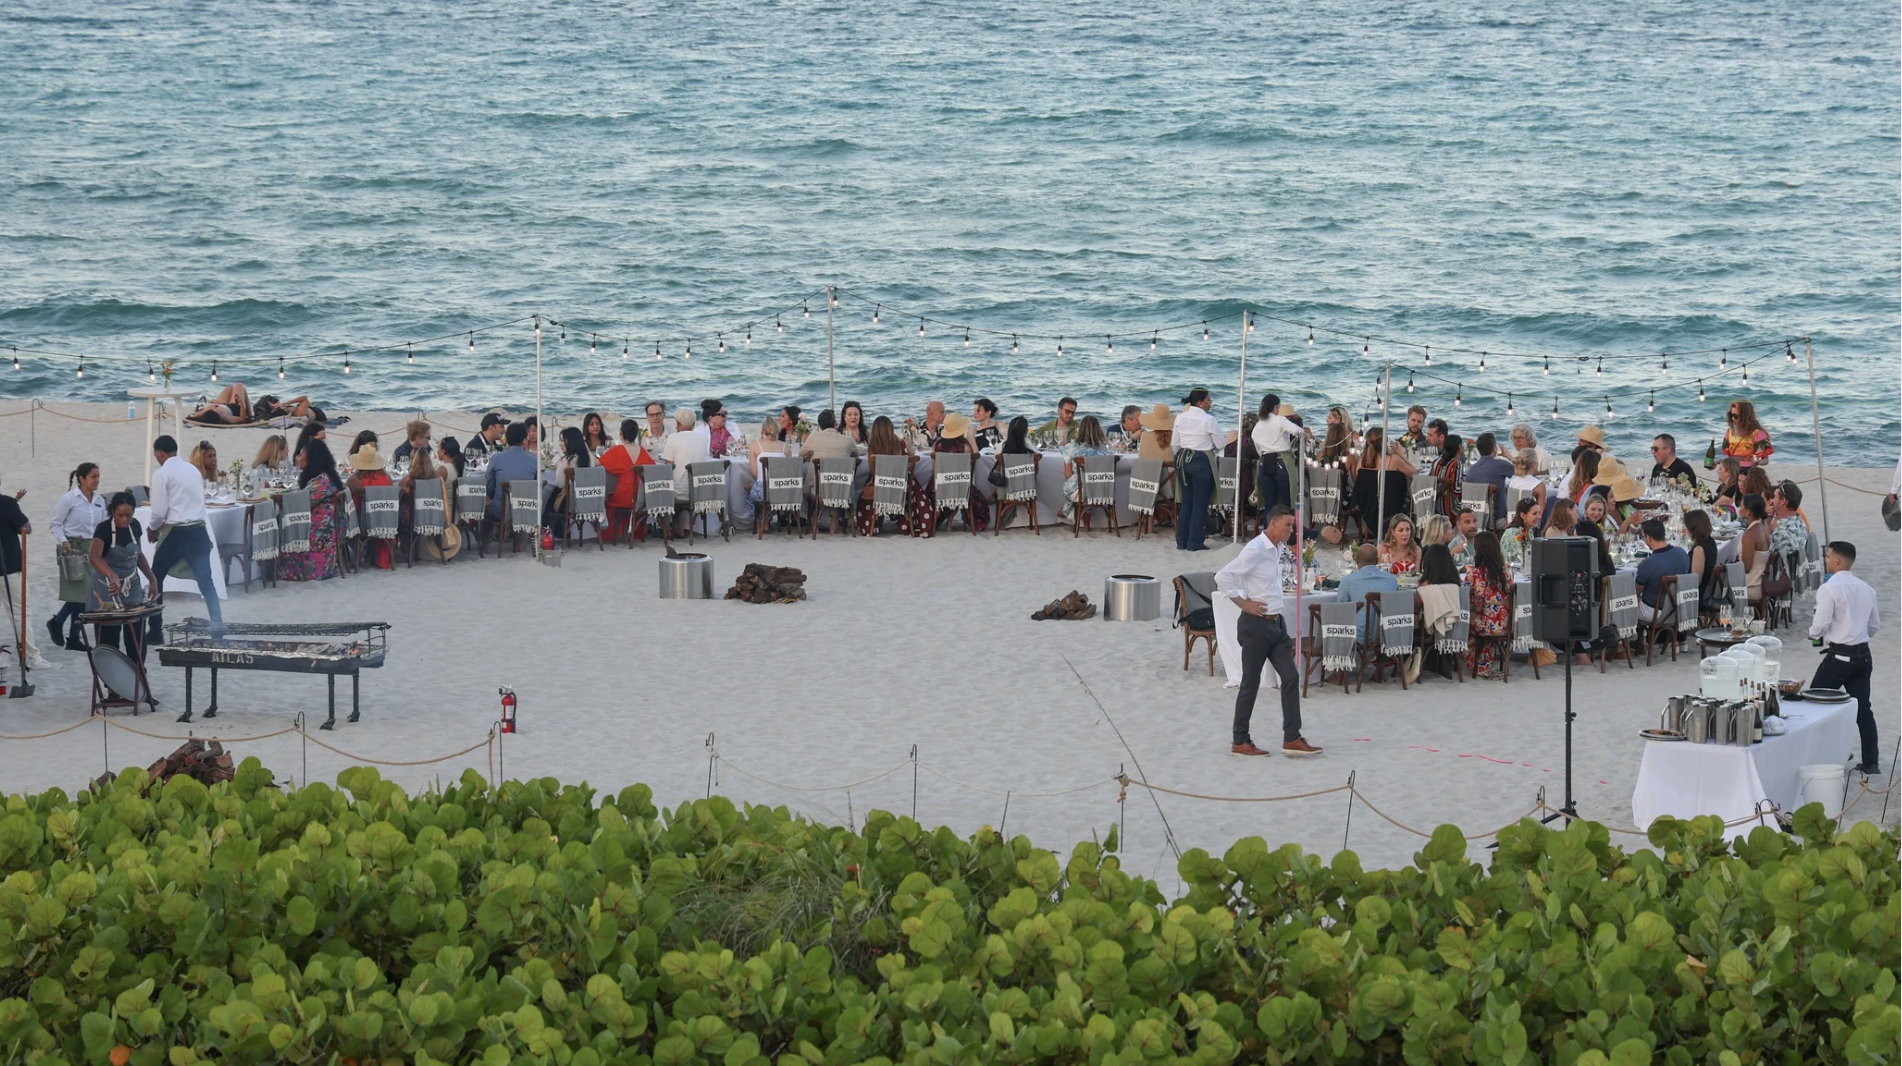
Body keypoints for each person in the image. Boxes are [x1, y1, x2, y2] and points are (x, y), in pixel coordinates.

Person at [1216, 507, 1322, 758]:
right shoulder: (1255, 549)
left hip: (1276, 624)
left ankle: (1292, 737)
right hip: (1255, 625)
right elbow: (1223, 577)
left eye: (1292, 525)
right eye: (1288, 525)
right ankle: (1240, 740)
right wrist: (1243, 603)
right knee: (1250, 683)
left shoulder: (1277, 549)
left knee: (1291, 677)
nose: (1292, 530)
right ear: (1273, 524)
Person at [1808, 541, 1880, 774]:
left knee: (1814, 703)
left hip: (1839, 656)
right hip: (1863, 654)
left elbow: (1820, 624)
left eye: (1828, 556)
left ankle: (1830, 752)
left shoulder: (1829, 589)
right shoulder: (1867, 589)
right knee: (1863, 709)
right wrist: (1856, 634)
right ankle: (1871, 762)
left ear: (1838, 561)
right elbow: (1874, 625)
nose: (1826, 560)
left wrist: (1814, 634)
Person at [146, 436, 223, 635]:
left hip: (177, 532)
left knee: (156, 577)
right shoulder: (192, 470)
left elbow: (159, 511)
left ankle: (155, 629)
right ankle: (217, 624)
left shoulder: (161, 473)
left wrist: (152, 528)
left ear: (161, 453)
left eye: (157, 456)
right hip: (198, 530)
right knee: (206, 581)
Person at [88, 491, 158, 658]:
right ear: (112, 512)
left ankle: (137, 672)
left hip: (131, 583)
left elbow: (138, 554)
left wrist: (152, 579)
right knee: (109, 634)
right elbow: (94, 557)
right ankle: (110, 679)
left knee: (136, 632)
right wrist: (111, 575)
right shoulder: (103, 529)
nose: (125, 519)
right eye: (120, 515)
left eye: (129, 515)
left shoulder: (135, 526)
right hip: (107, 587)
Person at [47, 462, 107, 651]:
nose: (97, 480)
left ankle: (71, 635)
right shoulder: (69, 499)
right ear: (81, 479)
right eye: (93, 477)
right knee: (81, 593)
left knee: (83, 594)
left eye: (98, 476)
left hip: (93, 549)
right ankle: (59, 623)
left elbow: (103, 524)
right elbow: (55, 524)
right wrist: (63, 541)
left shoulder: (100, 500)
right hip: (73, 548)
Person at [279, 438, 342, 582]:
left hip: (317, 534)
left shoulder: (321, 481)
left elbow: (302, 503)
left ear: (311, 458)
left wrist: (280, 497)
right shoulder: (321, 477)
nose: (297, 458)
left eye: (301, 455)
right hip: (324, 531)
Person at [916, 412, 989, 534]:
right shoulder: (965, 447)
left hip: (939, 488)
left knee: (946, 489)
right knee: (964, 491)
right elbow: (968, 470)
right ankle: (951, 518)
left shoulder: (936, 446)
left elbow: (934, 470)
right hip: (961, 486)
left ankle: (947, 517)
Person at [1173, 388, 1222, 551]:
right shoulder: (1209, 420)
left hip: (1182, 458)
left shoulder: (1180, 417)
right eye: (1209, 399)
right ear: (1200, 403)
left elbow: (1175, 443)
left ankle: (1181, 540)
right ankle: (1194, 541)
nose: (1211, 402)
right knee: (1200, 503)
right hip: (1201, 459)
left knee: (1186, 502)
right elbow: (1221, 444)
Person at [858, 415, 920, 536]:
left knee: (863, 494)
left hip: (880, 487)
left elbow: (873, 472)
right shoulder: (900, 444)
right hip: (901, 487)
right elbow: (913, 458)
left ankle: (873, 524)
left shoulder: (873, 448)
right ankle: (904, 520)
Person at [1349, 427, 1413, 541]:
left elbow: (1361, 486)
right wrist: (1402, 455)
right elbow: (1414, 474)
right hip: (1392, 507)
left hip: (1368, 508)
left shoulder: (1362, 462)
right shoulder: (1394, 460)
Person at [1465, 532, 1512, 679]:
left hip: (1487, 624)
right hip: (1505, 623)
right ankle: (1482, 663)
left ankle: (1476, 663)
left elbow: (1475, 604)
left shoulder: (1475, 574)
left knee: (1465, 618)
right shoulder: (1506, 571)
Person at [599, 418, 654, 543]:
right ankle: (631, 532)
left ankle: (617, 533)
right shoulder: (642, 450)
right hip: (640, 496)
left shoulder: (617, 450)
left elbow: (598, 463)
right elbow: (652, 467)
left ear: (621, 434)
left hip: (624, 493)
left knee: (609, 501)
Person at [1250, 395, 1304, 513]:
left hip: (1265, 461)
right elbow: (1298, 431)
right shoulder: (1280, 420)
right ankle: (1288, 529)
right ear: (1275, 407)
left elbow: (1257, 446)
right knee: (1286, 501)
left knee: (1269, 504)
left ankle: (1268, 529)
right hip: (1281, 460)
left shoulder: (1258, 425)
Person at [345, 445, 395, 569]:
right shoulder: (387, 478)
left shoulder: (355, 480)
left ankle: (355, 554)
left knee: (345, 517)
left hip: (364, 524)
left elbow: (344, 496)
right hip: (385, 523)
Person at [1336, 542, 1398, 640]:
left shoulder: (1348, 581)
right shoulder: (1392, 580)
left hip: (1359, 636)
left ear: (1356, 560)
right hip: (1387, 635)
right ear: (1377, 561)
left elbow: (1340, 610)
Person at [1634, 519, 1691, 625]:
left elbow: (1636, 592)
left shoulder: (1647, 563)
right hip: (1680, 607)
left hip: (1655, 611)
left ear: (1648, 538)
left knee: (1625, 605)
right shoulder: (1682, 553)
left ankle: (1638, 639)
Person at [1058, 416, 1110, 525]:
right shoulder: (1104, 450)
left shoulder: (1070, 448)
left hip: (1080, 493)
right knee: (1088, 485)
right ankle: (1086, 526)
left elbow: (1067, 475)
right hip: (1101, 490)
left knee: (1075, 486)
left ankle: (1068, 508)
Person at [483, 422, 540, 522]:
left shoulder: (496, 458)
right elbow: (536, 487)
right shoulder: (534, 461)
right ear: (524, 441)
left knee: (484, 508)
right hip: (526, 510)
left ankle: (490, 536)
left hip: (500, 511)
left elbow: (489, 486)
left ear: (507, 440)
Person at [661, 409, 712, 502]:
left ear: (677, 423)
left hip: (678, 492)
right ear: (693, 423)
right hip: (699, 491)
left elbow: (668, 466)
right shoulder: (703, 438)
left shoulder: (673, 438)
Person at [1682, 509, 1722, 613]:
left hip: (1700, 597)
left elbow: (1696, 580)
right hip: (1706, 590)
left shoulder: (1699, 549)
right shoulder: (1711, 542)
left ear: (1692, 528)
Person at [1738, 494, 1771, 608]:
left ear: (1748, 512)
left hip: (1752, 585)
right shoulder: (1763, 528)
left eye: (1742, 506)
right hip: (1761, 580)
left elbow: (1746, 568)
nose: (1739, 508)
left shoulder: (1750, 535)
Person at [1723, 400, 1773, 469]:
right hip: (1733, 470)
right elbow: (1729, 457)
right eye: (1731, 415)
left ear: (1745, 417)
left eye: (1735, 416)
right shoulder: (1729, 432)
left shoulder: (1758, 434)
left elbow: (1765, 460)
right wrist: (1717, 462)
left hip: (1748, 471)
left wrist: (1758, 462)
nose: (1732, 418)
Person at [1768, 480, 1810, 559]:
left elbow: (1769, 563)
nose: (1771, 501)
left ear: (1783, 501)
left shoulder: (1781, 533)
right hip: (1800, 569)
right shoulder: (1801, 523)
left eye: (1774, 497)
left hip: (1782, 570)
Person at [1466, 433, 1513, 499]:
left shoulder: (1471, 469)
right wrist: (1509, 456)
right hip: (1498, 508)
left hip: (1475, 508)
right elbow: (1523, 471)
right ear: (1494, 448)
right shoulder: (1501, 465)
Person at [1429, 432, 1465, 519]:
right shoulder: (1456, 464)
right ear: (1459, 447)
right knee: (1473, 505)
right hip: (1449, 508)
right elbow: (1455, 491)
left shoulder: (1436, 461)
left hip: (1434, 505)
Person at [187, 383, 253, 424]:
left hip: (221, 403)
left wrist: (217, 404)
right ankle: (250, 414)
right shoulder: (226, 417)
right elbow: (242, 419)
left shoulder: (204, 414)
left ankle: (219, 403)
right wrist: (241, 403)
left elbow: (194, 415)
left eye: (215, 409)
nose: (216, 408)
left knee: (229, 387)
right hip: (233, 407)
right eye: (218, 411)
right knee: (238, 385)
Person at [250, 394, 321, 423]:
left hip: (309, 408)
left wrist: (284, 404)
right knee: (304, 404)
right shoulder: (299, 414)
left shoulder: (285, 410)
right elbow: (305, 398)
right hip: (316, 413)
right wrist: (288, 403)